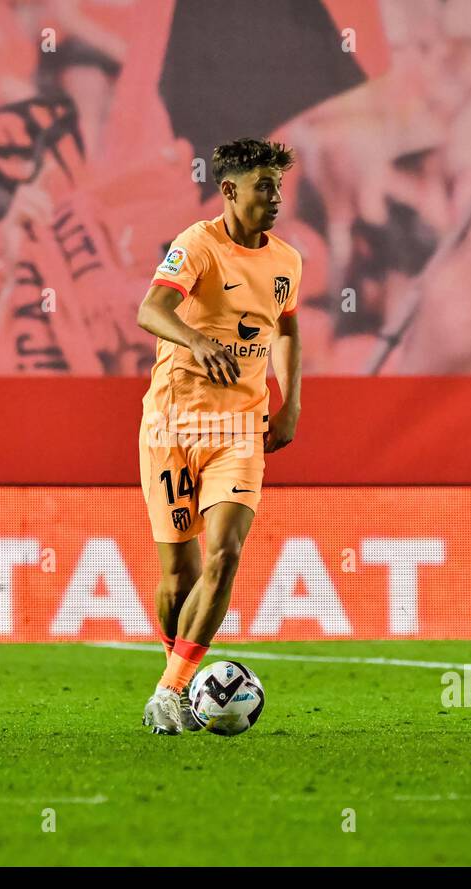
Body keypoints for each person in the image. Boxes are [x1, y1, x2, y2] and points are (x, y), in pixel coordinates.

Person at [135, 137, 302, 735]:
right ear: (229, 190)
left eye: (279, 184)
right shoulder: (197, 245)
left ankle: (169, 690)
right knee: (178, 573)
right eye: (264, 185)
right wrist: (197, 340)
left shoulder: (287, 260)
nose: (276, 196)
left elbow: (285, 328)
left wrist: (290, 403)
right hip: (173, 424)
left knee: (225, 554)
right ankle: (174, 682)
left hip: (239, 427)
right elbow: (150, 310)